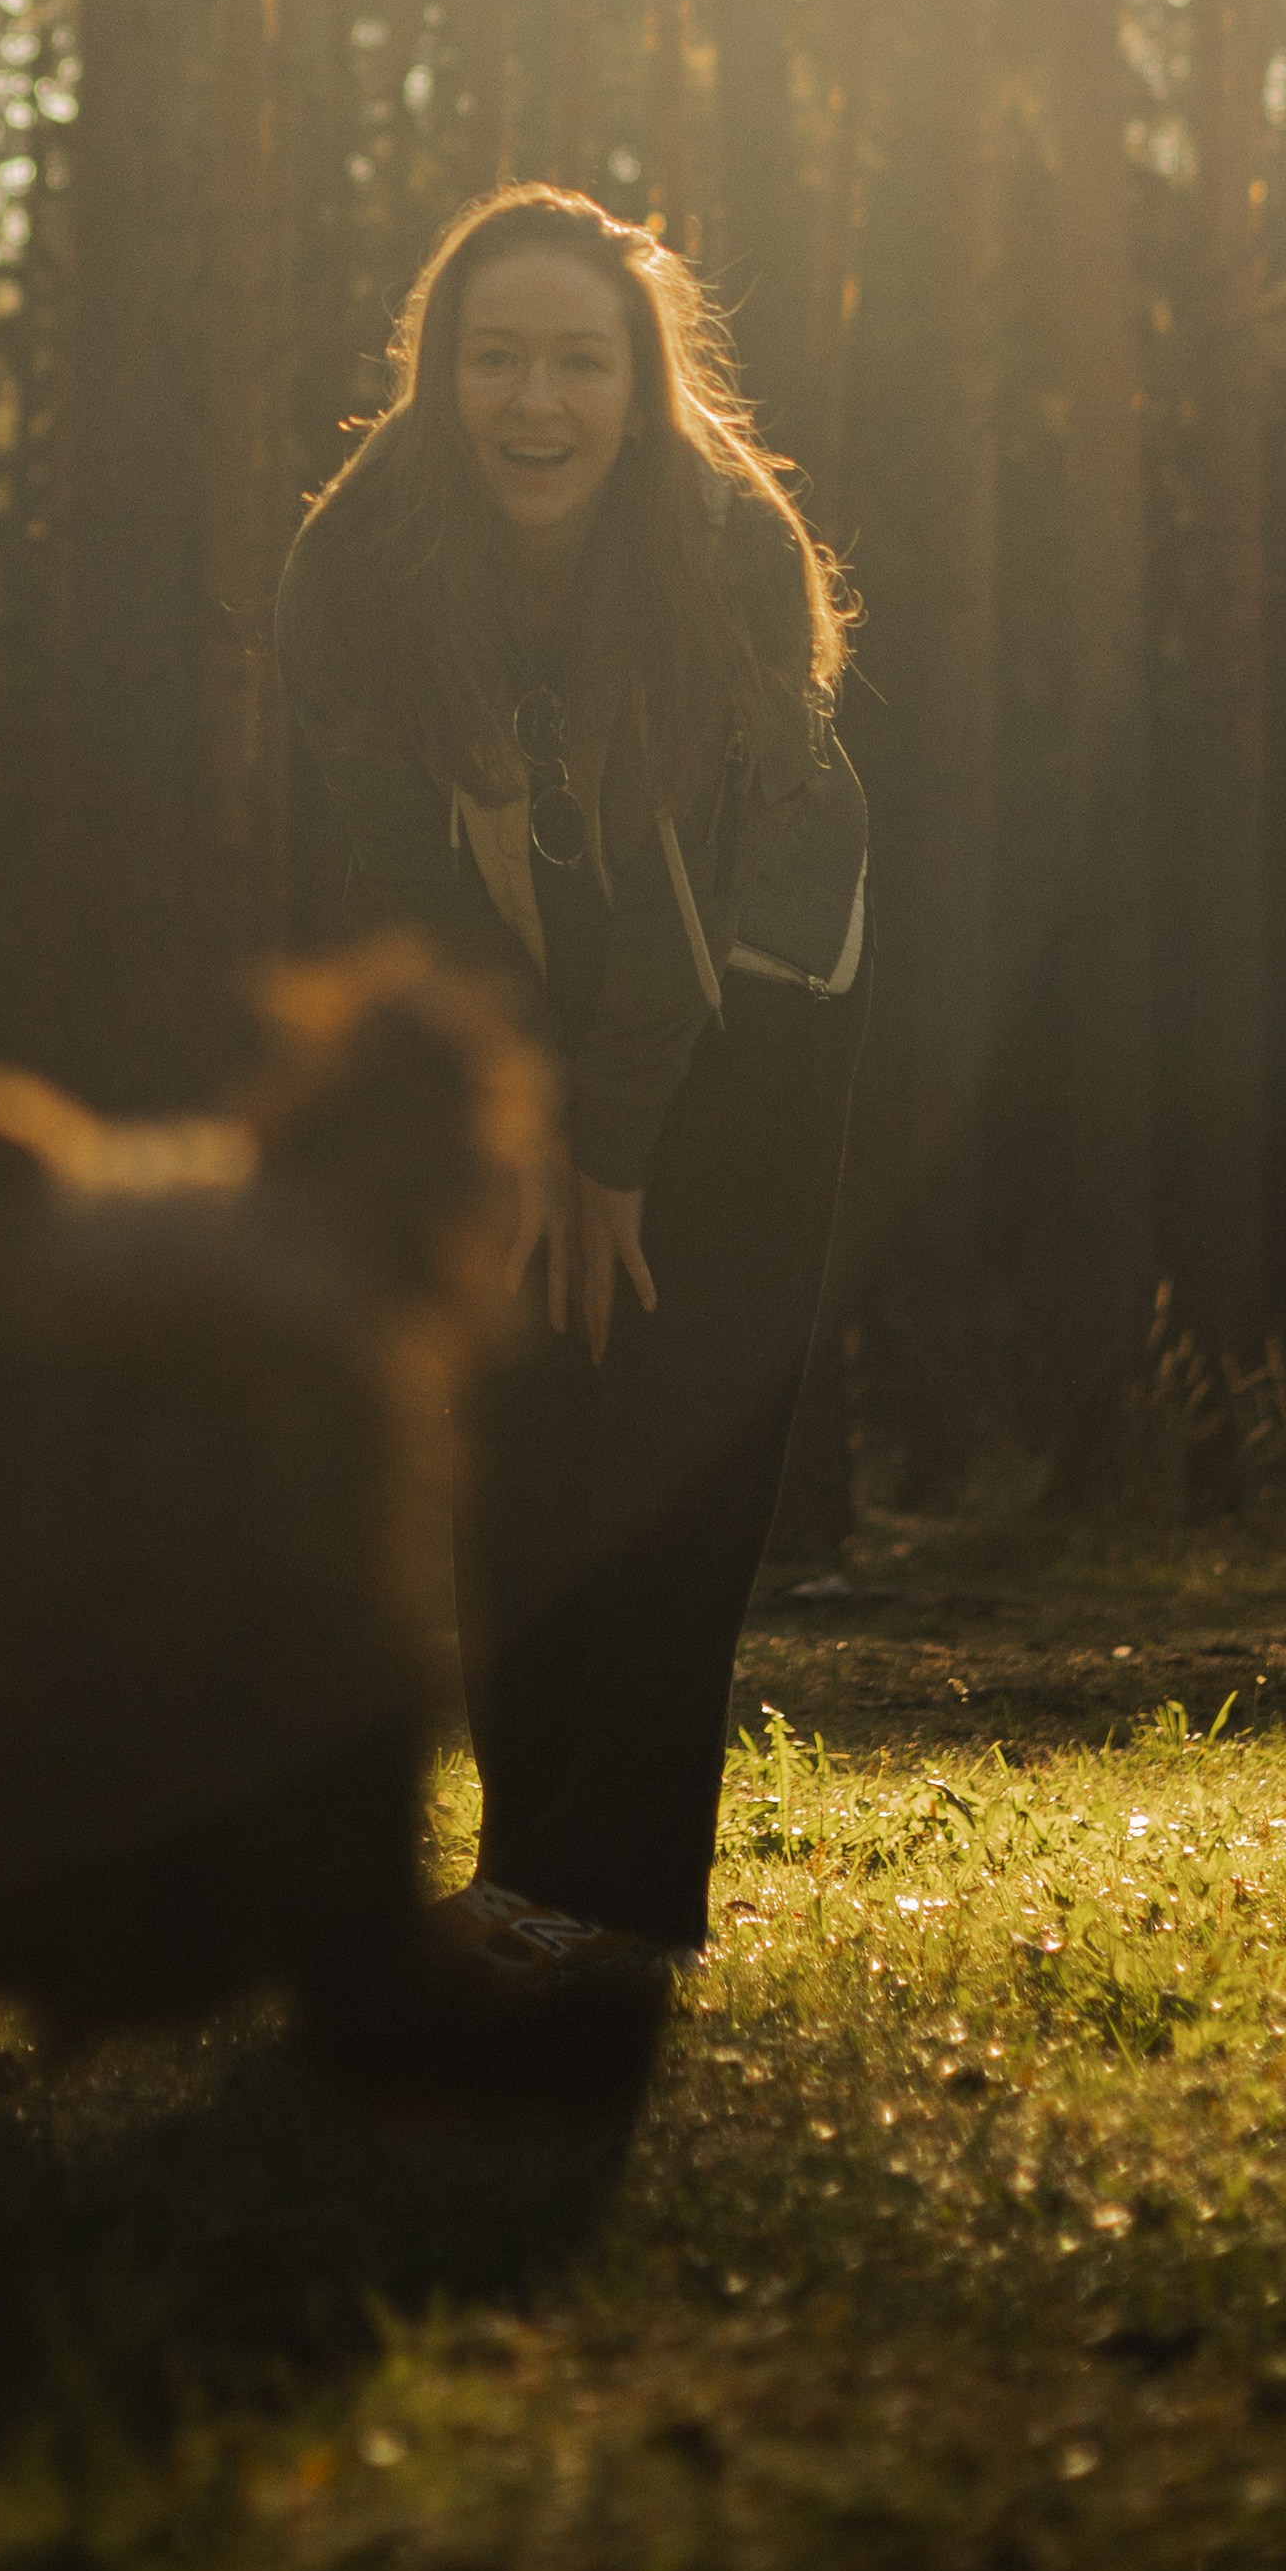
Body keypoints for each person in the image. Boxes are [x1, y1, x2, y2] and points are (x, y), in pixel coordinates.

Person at [276, 185, 867, 1974]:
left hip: (762, 995)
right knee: (520, 1410)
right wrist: (516, 1129)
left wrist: (610, 1148)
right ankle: (532, 1873)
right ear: (438, 372)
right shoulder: (362, 560)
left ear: (642, 382)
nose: (538, 402)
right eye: (498, 358)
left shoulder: (728, 545)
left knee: (680, 1417)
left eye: (580, 363)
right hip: (510, 998)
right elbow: (389, 884)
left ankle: (624, 1899)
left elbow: (698, 909)